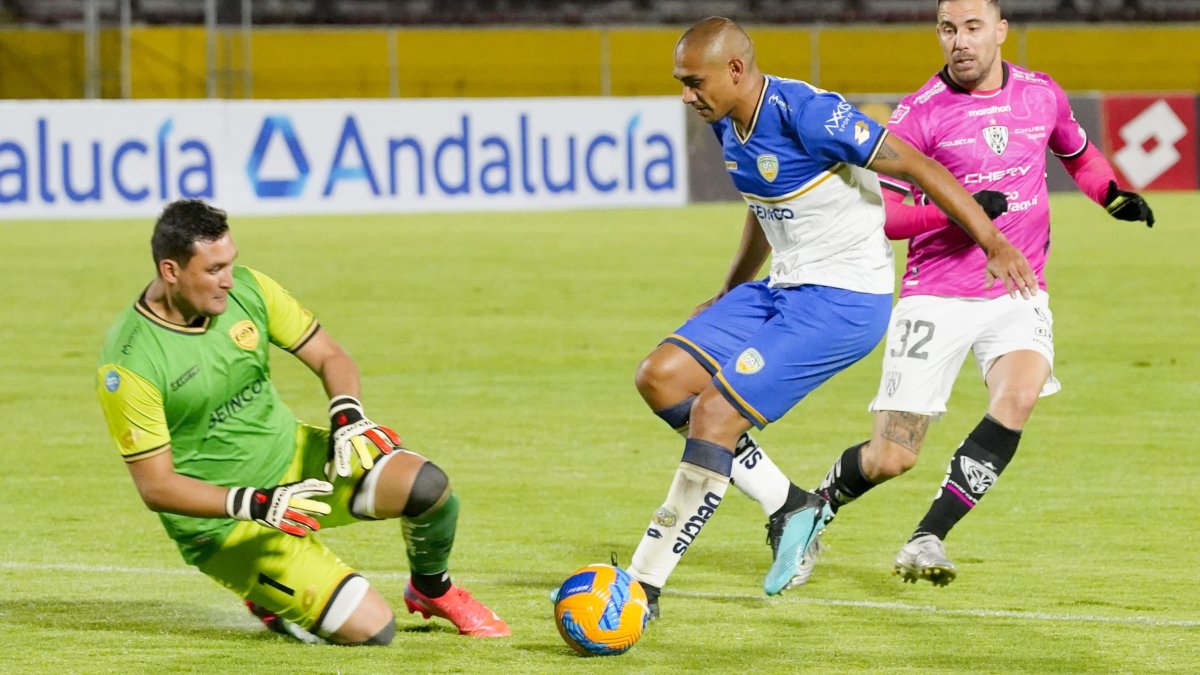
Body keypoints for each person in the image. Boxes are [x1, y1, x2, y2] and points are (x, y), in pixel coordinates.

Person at [626, 16, 1036, 618]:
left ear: (736, 70)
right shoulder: (726, 122)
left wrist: (993, 243)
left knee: (714, 413)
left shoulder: (807, 113)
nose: (686, 95)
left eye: (694, 81)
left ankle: (643, 584)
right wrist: (729, 289)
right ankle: (791, 504)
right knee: (660, 376)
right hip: (782, 287)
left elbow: (920, 168)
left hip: (842, 301)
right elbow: (762, 205)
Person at [801, 0, 1155, 586]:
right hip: (936, 294)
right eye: (948, 29)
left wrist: (1111, 194)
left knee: (1018, 396)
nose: (960, 41)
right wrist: (956, 215)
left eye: (972, 28)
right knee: (893, 456)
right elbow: (887, 217)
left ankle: (927, 537)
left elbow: (1078, 155)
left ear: (1000, 31)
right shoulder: (918, 115)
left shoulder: (1042, 94)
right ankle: (811, 510)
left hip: (1017, 288)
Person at [95, 199, 510, 644]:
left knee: (428, 487)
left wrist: (347, 415)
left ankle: (432, 590)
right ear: (171, 270)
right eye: (214, 269)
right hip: (228, 523)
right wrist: (258, 505)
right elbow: (156, 487)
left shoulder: (248, 291)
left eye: (231, 263)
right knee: (375, 632)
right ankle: (271, 600)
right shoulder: (130, 363)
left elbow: (330, 355)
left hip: (296, 462)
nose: (229, 280)